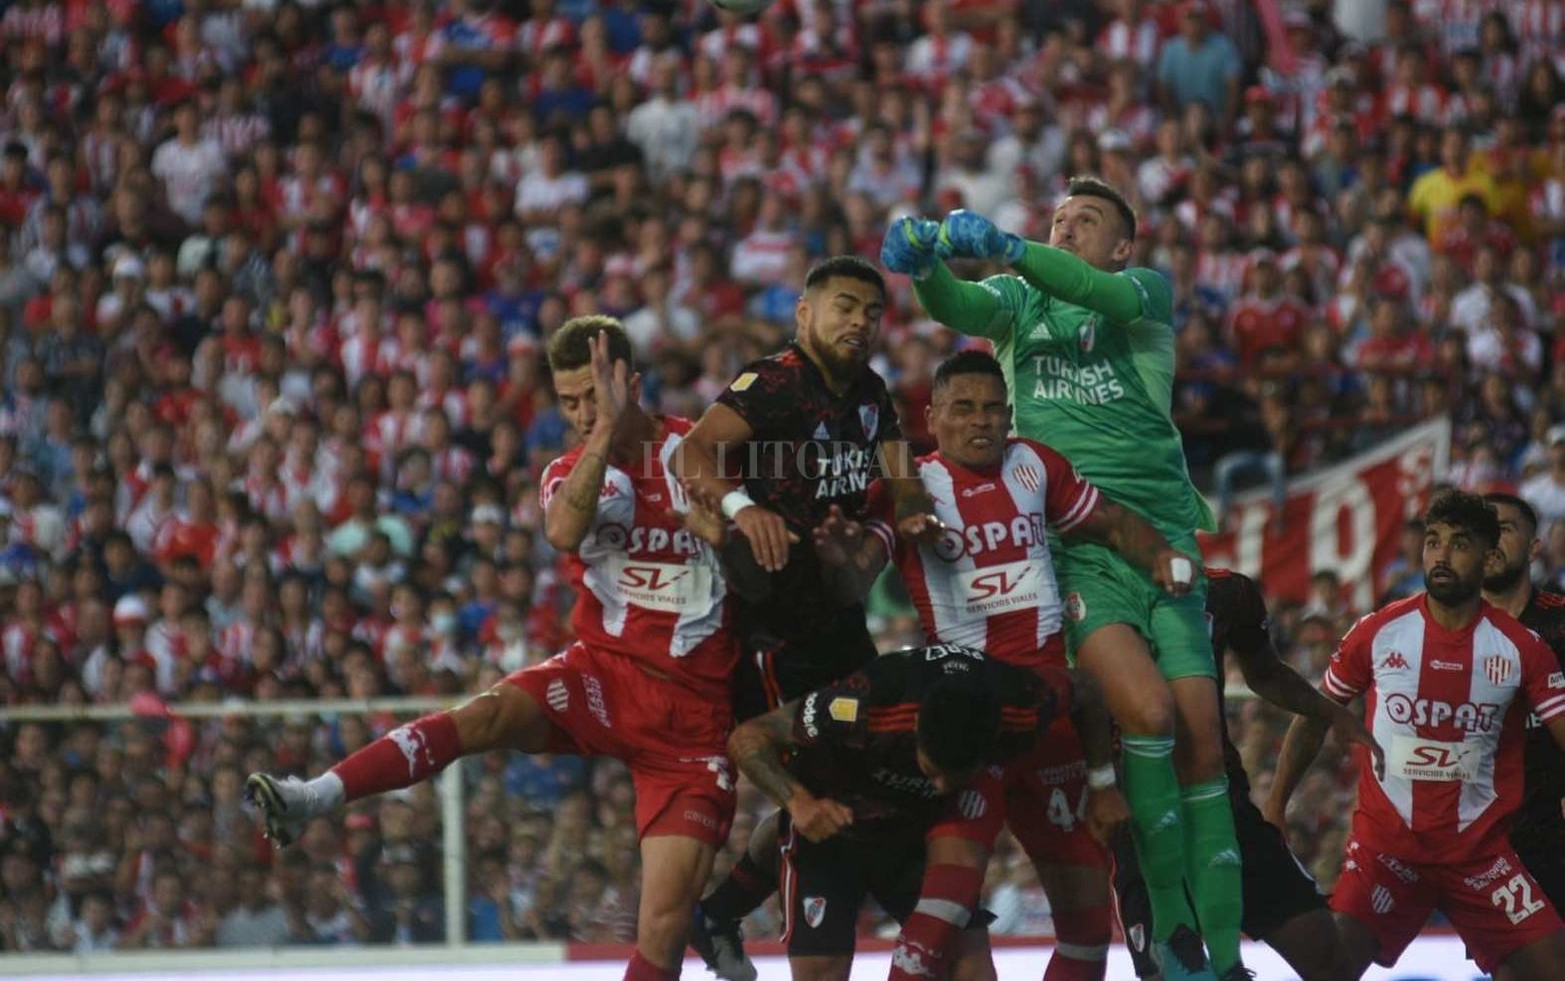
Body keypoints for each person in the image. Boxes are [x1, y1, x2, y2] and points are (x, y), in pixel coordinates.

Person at [247, 316, 739, 981]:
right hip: (604, 675)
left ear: (633, 384)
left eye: (593, 395)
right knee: (482, 714)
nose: (580, 413)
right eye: (568, 402)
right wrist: (601, 430)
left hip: (692, 717)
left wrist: (729, 531)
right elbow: (565, 528)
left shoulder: (700, 451)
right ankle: (314, 796)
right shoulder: (568, 469)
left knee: (662, 926)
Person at [882, 178, 1239, 980]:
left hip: (1161, 532)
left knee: (1204, 741)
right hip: (1078, 545)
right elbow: (959, 314)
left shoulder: (1140, 291)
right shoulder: (1014, 299)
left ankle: (1222, 956)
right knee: (1145, 712)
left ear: (1122, 245)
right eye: (1056, 220)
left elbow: (1088, 286)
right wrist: (925, 267)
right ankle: (1175, 939)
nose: (1065, 228)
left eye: (1086, 221)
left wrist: (1014, 248)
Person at [808, 349, 1198, 981]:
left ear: (1010, 415)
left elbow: (1112, 522)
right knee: (941, 915)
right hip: (965, 728)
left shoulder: (1033, 465)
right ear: (933, 417)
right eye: (963, 409)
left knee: (1087, 929)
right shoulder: (909, 489)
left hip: (1052, 718)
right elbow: (857, 581)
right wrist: (840, 558)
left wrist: (1160, 556)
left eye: (992, 408)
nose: (980, 421)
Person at [670, 255, 938, 976]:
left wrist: (904, 524)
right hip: (770, 629)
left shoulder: (874, 394)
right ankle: (814, 921)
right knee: (817, 790)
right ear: (804, 313)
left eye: (872, 311)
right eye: (844, 305)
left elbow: (903, 482)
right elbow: (692, 452)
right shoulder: (774, 382)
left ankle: (721, 910)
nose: (859, 321)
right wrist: (741, 506)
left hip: (839, 617)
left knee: (851, 779)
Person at [1266, 490, 1565, 981]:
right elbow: (1314, 714)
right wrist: (1275, 806)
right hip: (1389, 851)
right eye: (1433, 542)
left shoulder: (1522, 648)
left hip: (1480, 856)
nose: (1442, 556)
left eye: (1459, 544)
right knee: (1331, 967)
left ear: (1488, 557)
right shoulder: (1378, 631)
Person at [727, 643, 1127, 981]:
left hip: (911, 833)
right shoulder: (862, 704)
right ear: (915, 731)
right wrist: (799, 803)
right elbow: (748, 737)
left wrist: (1103, 783)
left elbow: (1088, 689)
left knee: (973, 970)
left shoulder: (1023, 701)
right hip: (833, 826)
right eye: (931, 770)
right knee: (821, 970)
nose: (939, 786)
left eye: (954, 779)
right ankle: (718, 912)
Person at [1119, 568, 1380, 981]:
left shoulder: (1228, 591)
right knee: (1173, 974)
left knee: (1329, 959)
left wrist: (1328, 711)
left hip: (1227, 809)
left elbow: (1265, 671)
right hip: (1143, 822)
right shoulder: (1096, 589)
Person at [1481, 493, 1565, 912]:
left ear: (1535, 548)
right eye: (1483, 530)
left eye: (1506, 529)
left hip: (1555, 826)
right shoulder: (1448, 630)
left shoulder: (1560, 622)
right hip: (1484, 838)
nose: (1492, 540)